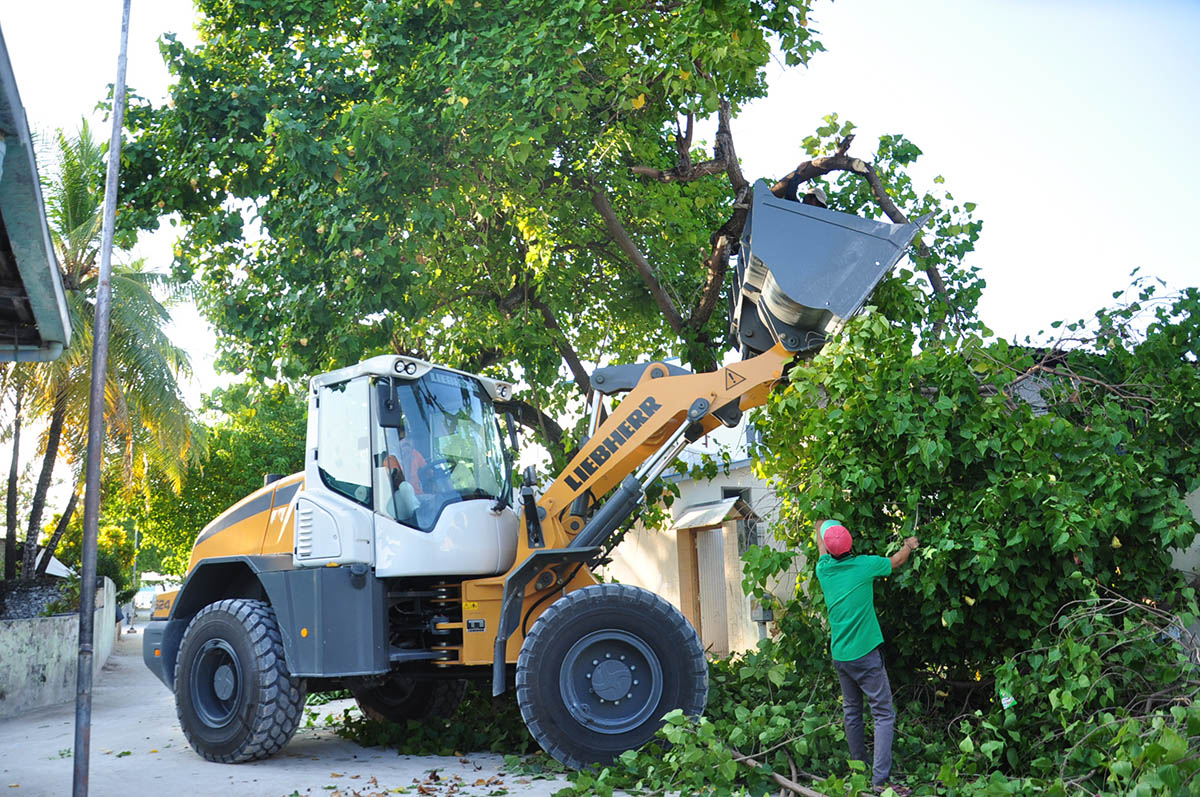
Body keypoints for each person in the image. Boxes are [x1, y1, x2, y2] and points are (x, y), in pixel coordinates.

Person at [814, 518, 918, 795]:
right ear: (850, 544)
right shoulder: (864, 566)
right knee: (883, 714)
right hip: (865, 656)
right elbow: (896, 561)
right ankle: (879, 782)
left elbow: (821, 548)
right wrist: (909, 545)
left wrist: (819, 527)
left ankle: (858, 773)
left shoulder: (823, 569)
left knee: (852, 711)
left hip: (841, 656)